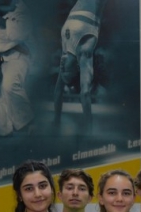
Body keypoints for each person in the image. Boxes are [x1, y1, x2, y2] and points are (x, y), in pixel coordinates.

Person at [0, 0, 34, 136]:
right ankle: (6, 130)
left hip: (18, 56)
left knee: (9, 86)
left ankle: (27, 122)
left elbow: (22, 33)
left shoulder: (21, 9)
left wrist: (3, 23)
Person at [52, 0, 107, 134]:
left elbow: (59, 90)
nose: (61, 67)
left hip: (77, 20)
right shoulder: (83, 52)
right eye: (65, 70)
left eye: (62, 70)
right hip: (85, 23)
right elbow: (85, 92)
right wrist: (89, 128)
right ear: (76, 68)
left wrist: (56, 120)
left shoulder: (68, 55)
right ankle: (88, 128)